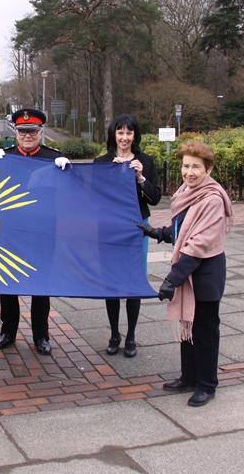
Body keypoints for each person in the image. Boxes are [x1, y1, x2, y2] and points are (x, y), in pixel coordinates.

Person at [139, 140, 233, 407]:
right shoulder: (187, 192)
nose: (189, 172)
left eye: (196, 167)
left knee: (204, 329)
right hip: (190, 271)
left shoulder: (212, 199)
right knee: (187, 324)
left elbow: (198, 243)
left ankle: (207, 385)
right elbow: (183, 230)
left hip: (206, 274)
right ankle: (189, 376)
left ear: (208, 169)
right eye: (185, 166)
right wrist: (159, 233)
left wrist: (172, 279)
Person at [0, 108, 70, 356]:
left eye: (32, 131)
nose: (27, 136)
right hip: (10, 232)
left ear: (41, 132)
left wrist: (68, 171)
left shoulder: (53, 159)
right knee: (7, 283)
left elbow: (69, 195)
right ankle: (8, 331)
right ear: (16, 133)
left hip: (42, 233)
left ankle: (41, 336)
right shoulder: (4, 157)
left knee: (41, 285)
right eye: (23, 132)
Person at [94, 114, 161, 358]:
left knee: (134, 280)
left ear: (135, 136)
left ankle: (131, 335)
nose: (124, 137)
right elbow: (93, 197)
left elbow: (155, 198)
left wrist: (140, 178)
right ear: (113, 135)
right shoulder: (101, 162)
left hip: (136, 227)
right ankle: (114, 334)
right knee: (111, 281)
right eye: (120, 132)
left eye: (129, 133)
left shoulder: (145, 161)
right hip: (110, 228)